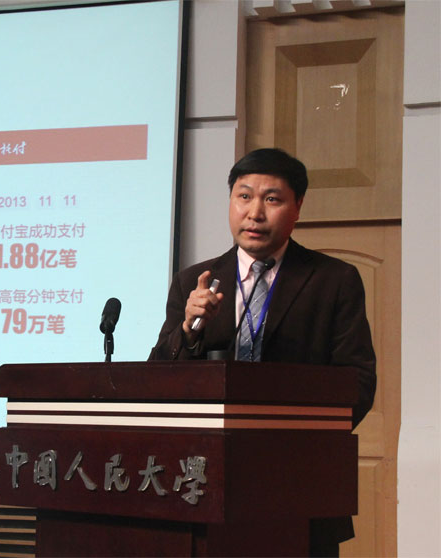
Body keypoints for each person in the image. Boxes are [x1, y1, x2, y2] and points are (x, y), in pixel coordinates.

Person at [149, 148, 376, 556]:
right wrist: (188, 330)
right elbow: (158, 380)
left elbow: (358, 382)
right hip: (205, 482)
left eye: (272, 199)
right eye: (244, 196)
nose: (254, 213)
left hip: (299, 484)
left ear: (297, 207)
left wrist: (291, 435)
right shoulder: (193, 282)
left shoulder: (334, 280)